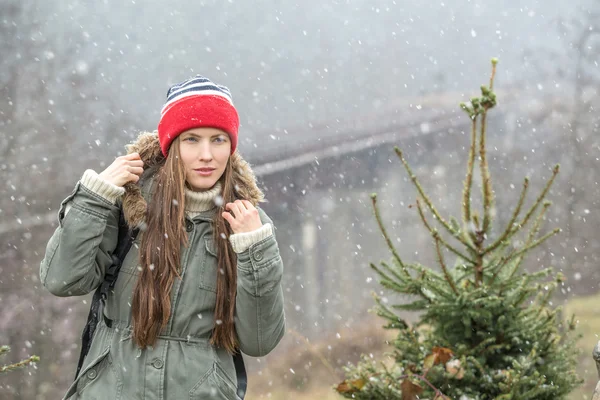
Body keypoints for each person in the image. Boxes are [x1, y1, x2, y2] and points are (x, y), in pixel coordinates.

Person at [39, 75, 286, 399]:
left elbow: (259, 341)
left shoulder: (248, 224)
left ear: (232, 146)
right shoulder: (128, 205)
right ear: (172, 145)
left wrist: (256, 250)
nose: (207, 155)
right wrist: (93, 198)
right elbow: (62, 280)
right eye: (192, 140)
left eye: (218, 140)